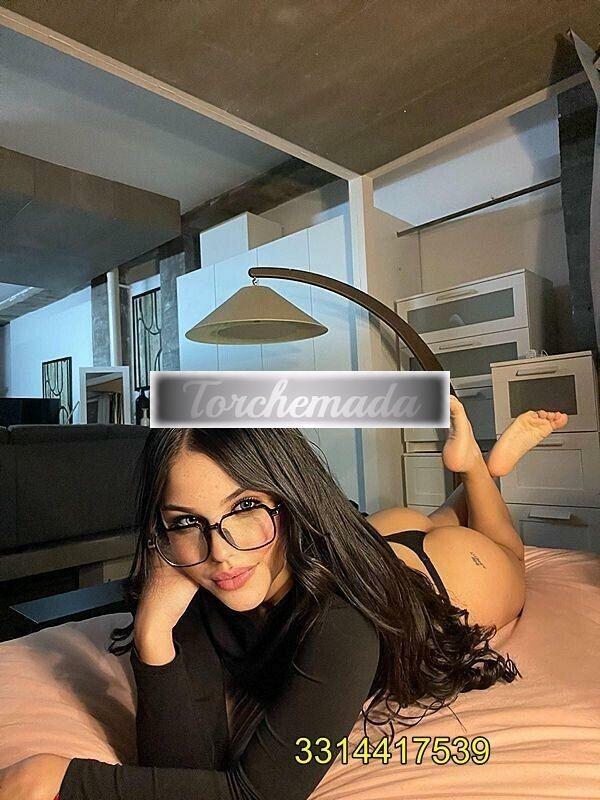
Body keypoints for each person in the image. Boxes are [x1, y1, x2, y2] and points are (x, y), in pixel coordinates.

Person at [0, 397, 568, 800]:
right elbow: (182, 768)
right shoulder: (194, 575)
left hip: (442, 571)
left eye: (245, 507)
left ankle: (482, 469)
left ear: (291, 499)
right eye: (186, 520)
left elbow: (259, 794)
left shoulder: (343, 624)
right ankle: (472, 474)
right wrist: (152, 634)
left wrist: (61, 781)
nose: (220, 553)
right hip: (373, 536)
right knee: (436, 515)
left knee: (506, 550)